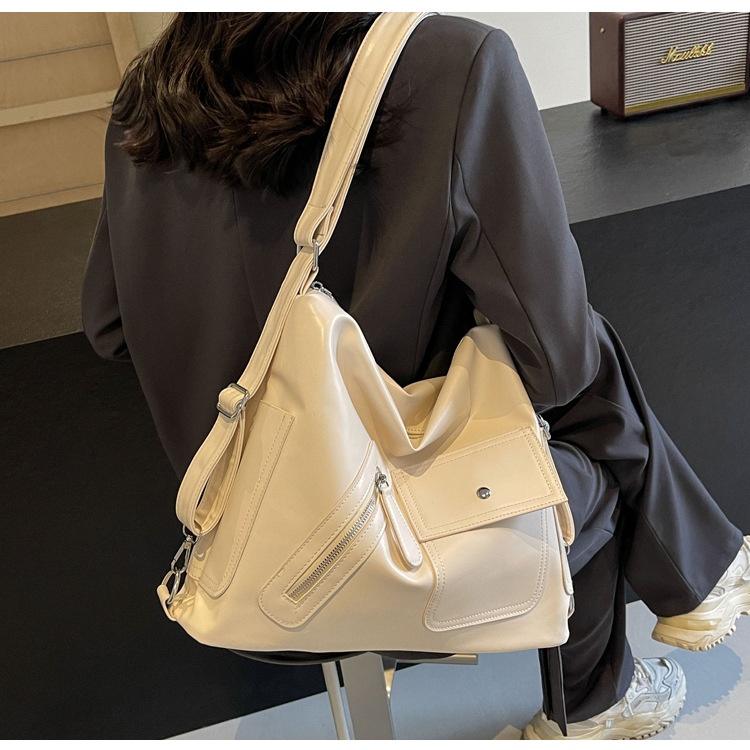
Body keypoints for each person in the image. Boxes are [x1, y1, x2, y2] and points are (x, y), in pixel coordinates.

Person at [81, 12, 749, 740]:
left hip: (240, 562)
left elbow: (109, 328)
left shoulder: (150, 92)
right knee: (598, 444)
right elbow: (558, 366)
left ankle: (701, 574)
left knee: (591, 374)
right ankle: (602, 697)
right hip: (399, 553)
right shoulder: (449, 60)